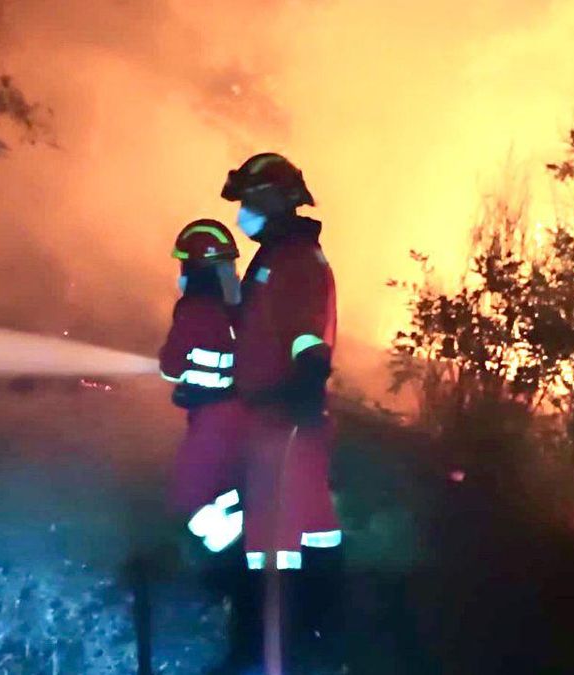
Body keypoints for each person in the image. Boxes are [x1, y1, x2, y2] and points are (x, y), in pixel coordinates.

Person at [215, 152, 344, 673]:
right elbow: (259, 327)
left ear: (272, 200)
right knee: (281, 537)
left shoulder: (296, 262)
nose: (242, 213)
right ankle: (295, 643)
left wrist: (303, 389)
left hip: (286, 418)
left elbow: (307, 334)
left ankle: (268, 651)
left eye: (249, 200)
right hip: (271, 417)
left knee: (275, 542)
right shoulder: (275, 257)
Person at [158, 219, 248, 555]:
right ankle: (229, 539)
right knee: (221, 481)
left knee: (189, 494)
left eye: (184, 266)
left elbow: (171, 367)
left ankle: (215, 556)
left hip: (210, 416)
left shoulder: (193, 310)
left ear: (196, 270)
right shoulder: (238, 310)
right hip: (237, 412)